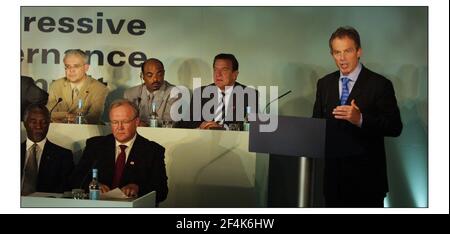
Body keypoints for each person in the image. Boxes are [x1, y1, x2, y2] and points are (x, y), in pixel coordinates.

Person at [312, 26, 403, 207]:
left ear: (359, 51)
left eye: (348, 51)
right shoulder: (325, 84)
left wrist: (360, 119)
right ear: (332, 55)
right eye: (337, 52)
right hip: (333, 181)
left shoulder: (380, 84)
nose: (342, 58)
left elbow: (395, 127)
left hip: (367, 182)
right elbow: (316, 124)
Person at [71, 99, 168, 203]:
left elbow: (161, 191)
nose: (119, 127)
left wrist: (138, 188)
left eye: (125, 122)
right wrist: (91, 185)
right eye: (115, 122)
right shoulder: (96, 146)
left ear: (136, 122)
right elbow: (76, 179)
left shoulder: (152, 151)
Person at [183, 53, 258, 130]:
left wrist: (222, 128)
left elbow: (251, 126)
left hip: (233, 140)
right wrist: (200, 127)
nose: (218, 74)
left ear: (235, 75)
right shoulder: (200, 93)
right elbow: (186, 124)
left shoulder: (248, 94)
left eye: (224, 70)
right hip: (203, 139)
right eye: (215, 70)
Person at [21, 104, 74, 195]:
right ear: (25, 123)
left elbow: (66, 189)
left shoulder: (63, 156)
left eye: (44, 122)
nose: (38, 126)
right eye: (33, 122)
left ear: (49, 124)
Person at [46, 49, 108, 124]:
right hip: (58, 131)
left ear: (86, 68)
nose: (71, 70)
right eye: (68, 66)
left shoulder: (99, 89)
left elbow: (95, 117)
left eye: (76, 66)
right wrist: (68, 116)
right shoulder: (55, 86)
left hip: (86, 132)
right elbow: (49, 113)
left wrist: (78, 119)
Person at [124, 58, 180, 126]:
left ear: (164, 73)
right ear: (142, 76)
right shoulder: (130, 94)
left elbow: (169, 123)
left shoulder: (174, 93)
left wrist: (145, 126)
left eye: (159, 74)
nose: (155, 79)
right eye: (150, 75)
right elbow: (127, 120)